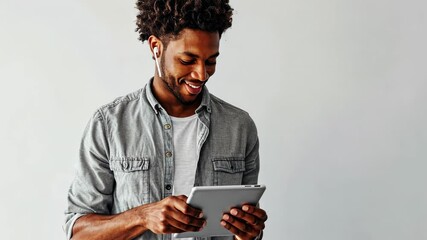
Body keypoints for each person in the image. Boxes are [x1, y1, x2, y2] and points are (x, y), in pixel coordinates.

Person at [64, 1, 267, 239]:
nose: (201, 74)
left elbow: (243, 231)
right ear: (156, 47)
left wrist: (248, 233)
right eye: (187, 60)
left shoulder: (239, 127)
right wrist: (142, 216)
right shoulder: (109, 124)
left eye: (210, 61)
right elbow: (78, 232)